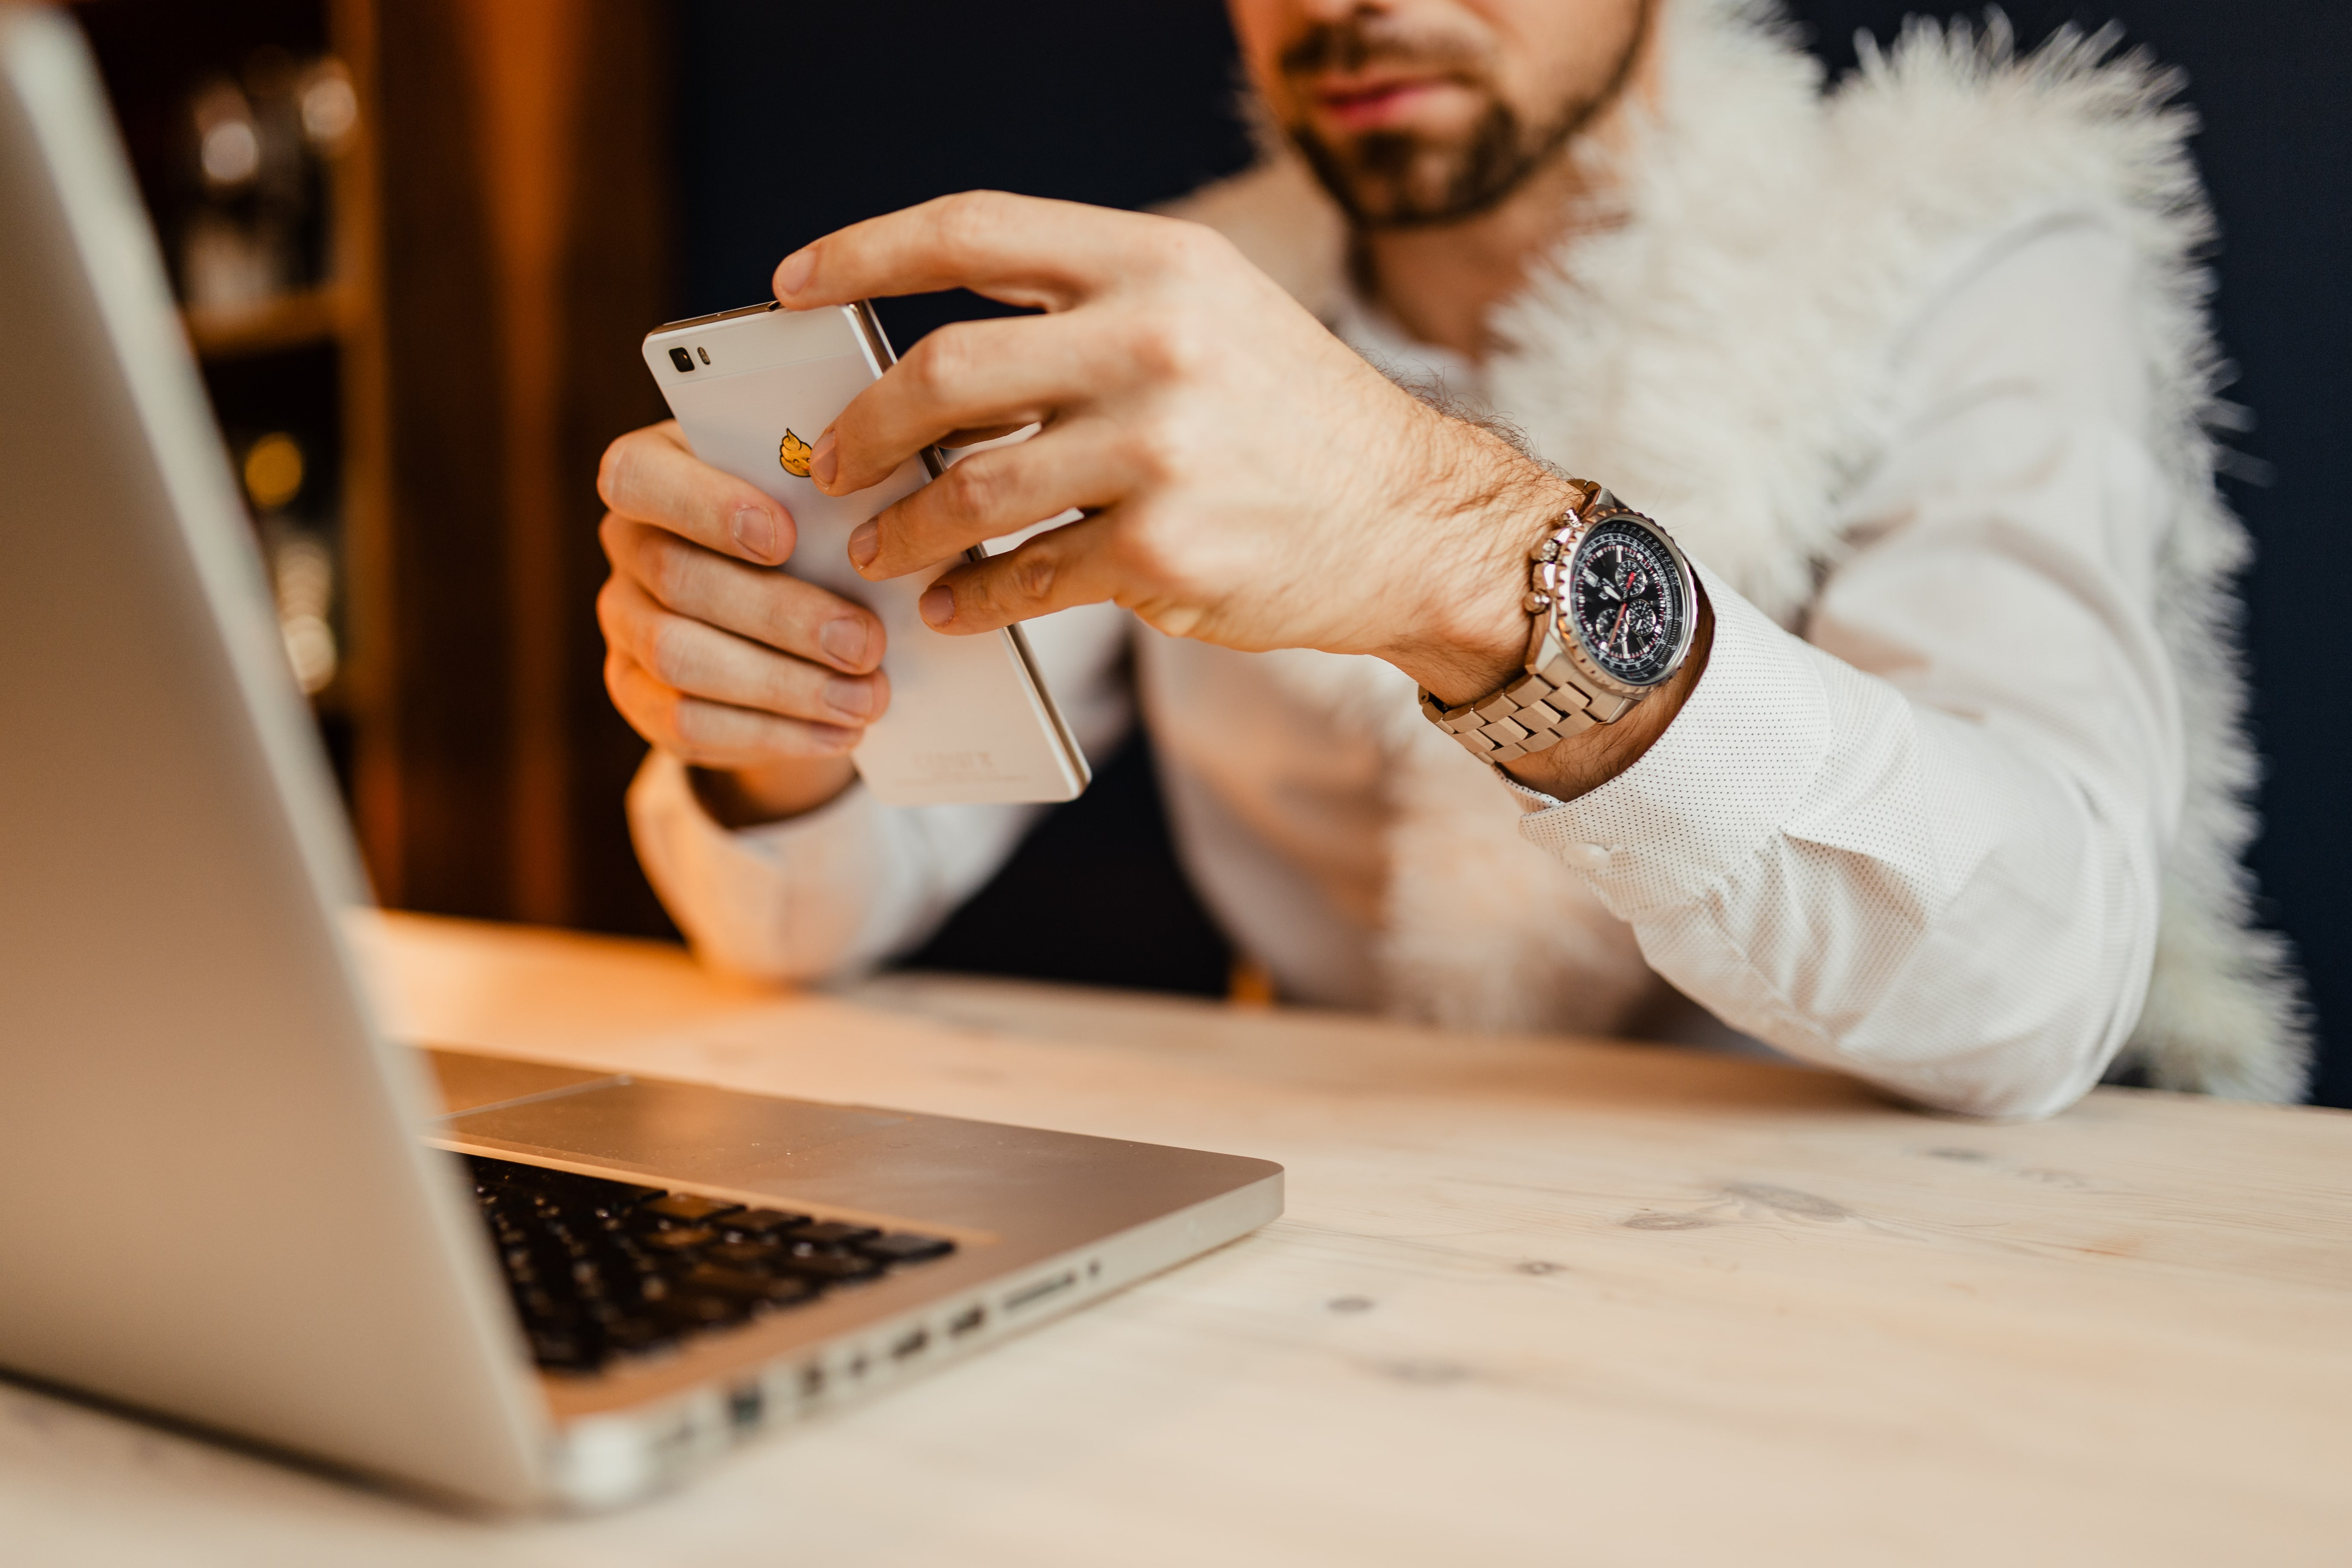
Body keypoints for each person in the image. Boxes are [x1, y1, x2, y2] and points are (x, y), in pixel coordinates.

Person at [594, 0, 2307, 1118]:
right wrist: (768, 734)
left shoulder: (1967, 244)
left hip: (1874, 1285)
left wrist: (1452, 549)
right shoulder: (1188, 301)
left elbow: (2038, 982)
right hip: (1348, 1247)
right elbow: (804, 920)